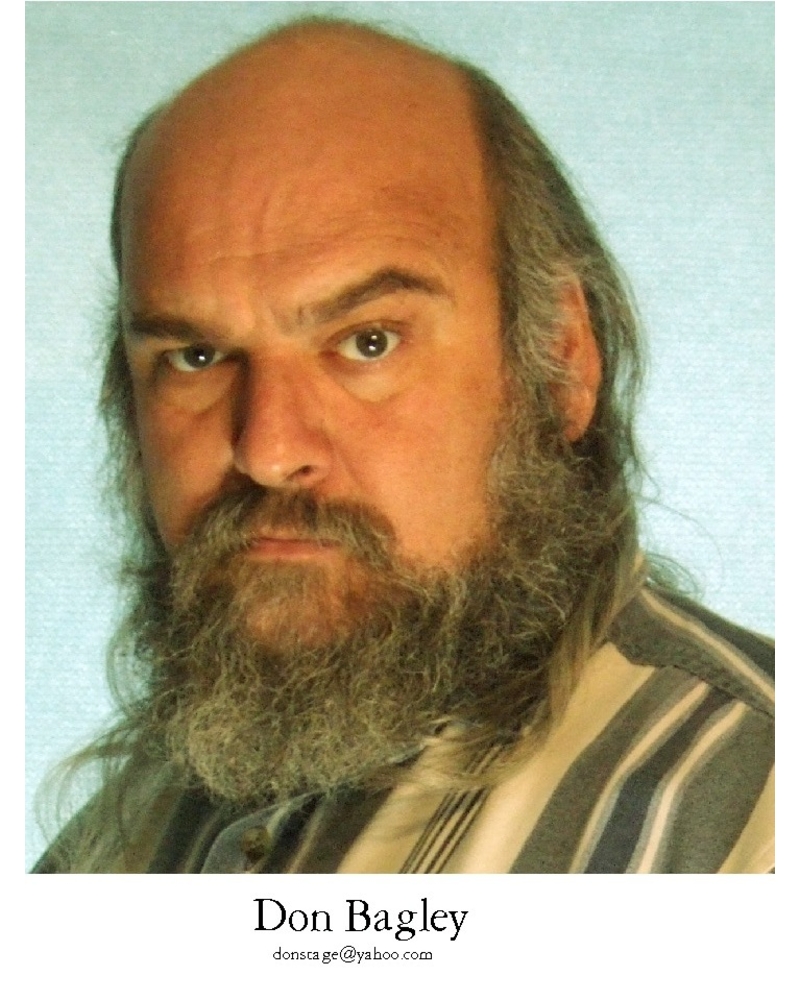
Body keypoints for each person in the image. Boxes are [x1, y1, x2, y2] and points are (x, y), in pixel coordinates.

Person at [34, 17, 774, 874]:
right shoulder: (125, 835)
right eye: (195, 357)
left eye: (368, 342)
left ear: (560, 362)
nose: (268, 450)